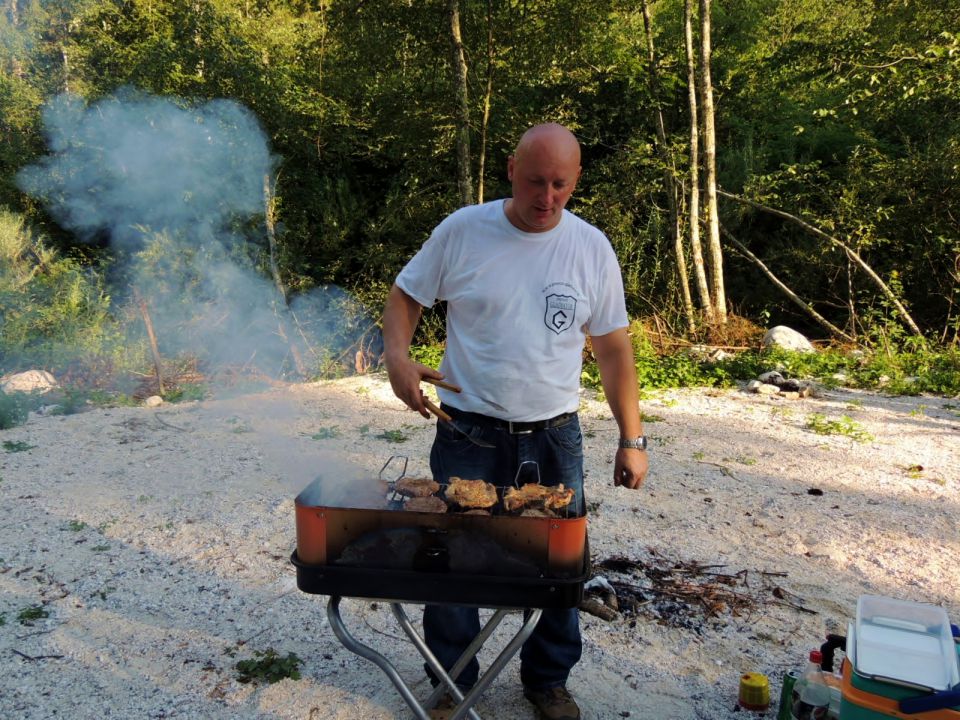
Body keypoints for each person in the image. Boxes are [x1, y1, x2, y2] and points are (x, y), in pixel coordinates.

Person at [382, 122, 648, 720]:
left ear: (576, 181)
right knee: (452, 562)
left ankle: (547, 681)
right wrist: (397, 357)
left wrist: (633, 438)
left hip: (555, 435)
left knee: (560, 563)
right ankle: (452, 681)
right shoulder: (463, 230)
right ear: (510, 169)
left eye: (561, 184)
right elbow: (405, 296)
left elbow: (613, 350)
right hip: (467, 431)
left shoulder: (591, 248)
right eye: (535, 181)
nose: (546, 197)